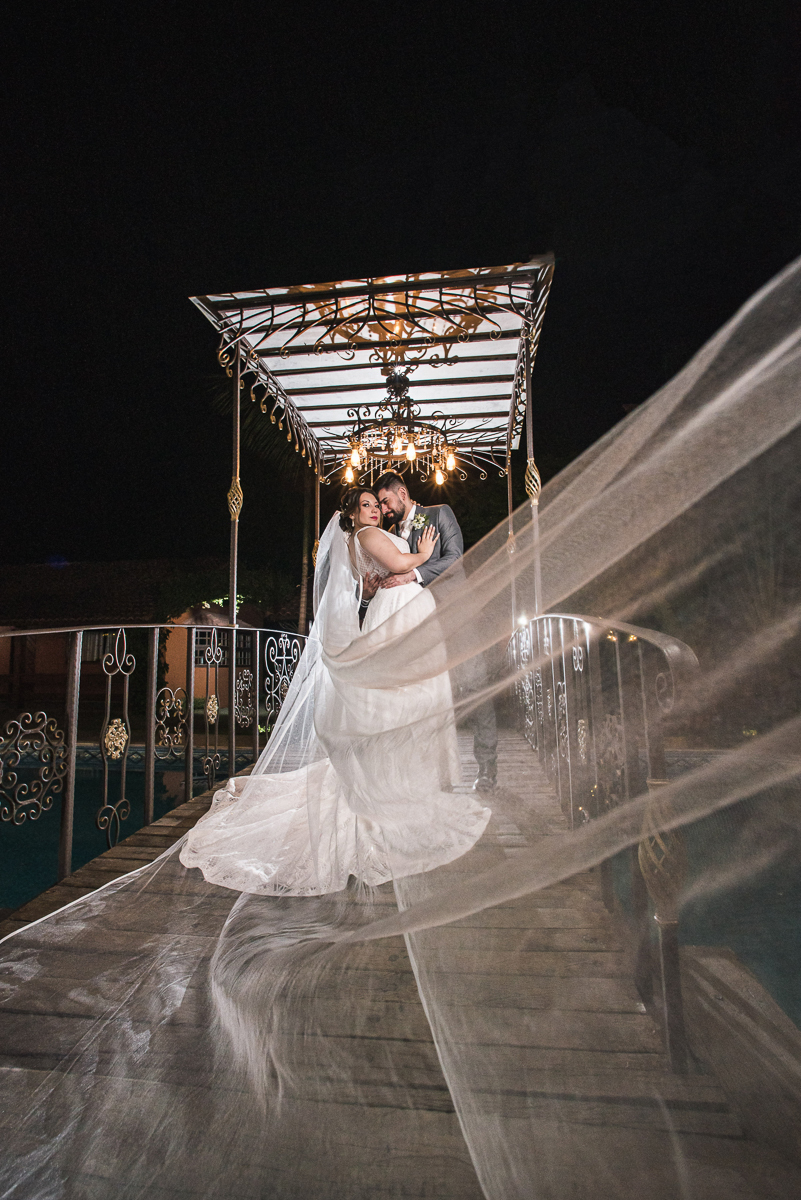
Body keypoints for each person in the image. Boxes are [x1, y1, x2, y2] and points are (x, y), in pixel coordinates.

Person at [178, 487, 491, 896]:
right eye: (367, 505)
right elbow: (398, 563)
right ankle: (392, 791)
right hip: (397, 612)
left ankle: (406, 783)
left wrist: (385, 580)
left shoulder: (361, 539)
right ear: (352, 514)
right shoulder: (364, 535)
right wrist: (422, 555)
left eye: (378, 505)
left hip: (394, 609)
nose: (376, 510)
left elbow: (365, 586)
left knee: (404, 703)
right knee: (402, 700)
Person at [372, 471, 499, 792]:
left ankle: (487, 770)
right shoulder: (389, 533)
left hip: (456, 618)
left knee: (474, 689)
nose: (384, 509)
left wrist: (412, 574)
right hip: (417, 627)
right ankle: (436, 772)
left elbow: (454, 560)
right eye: (381, 505)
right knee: (428, 698)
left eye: (386, 501)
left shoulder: (439, 514)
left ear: (402, 493)